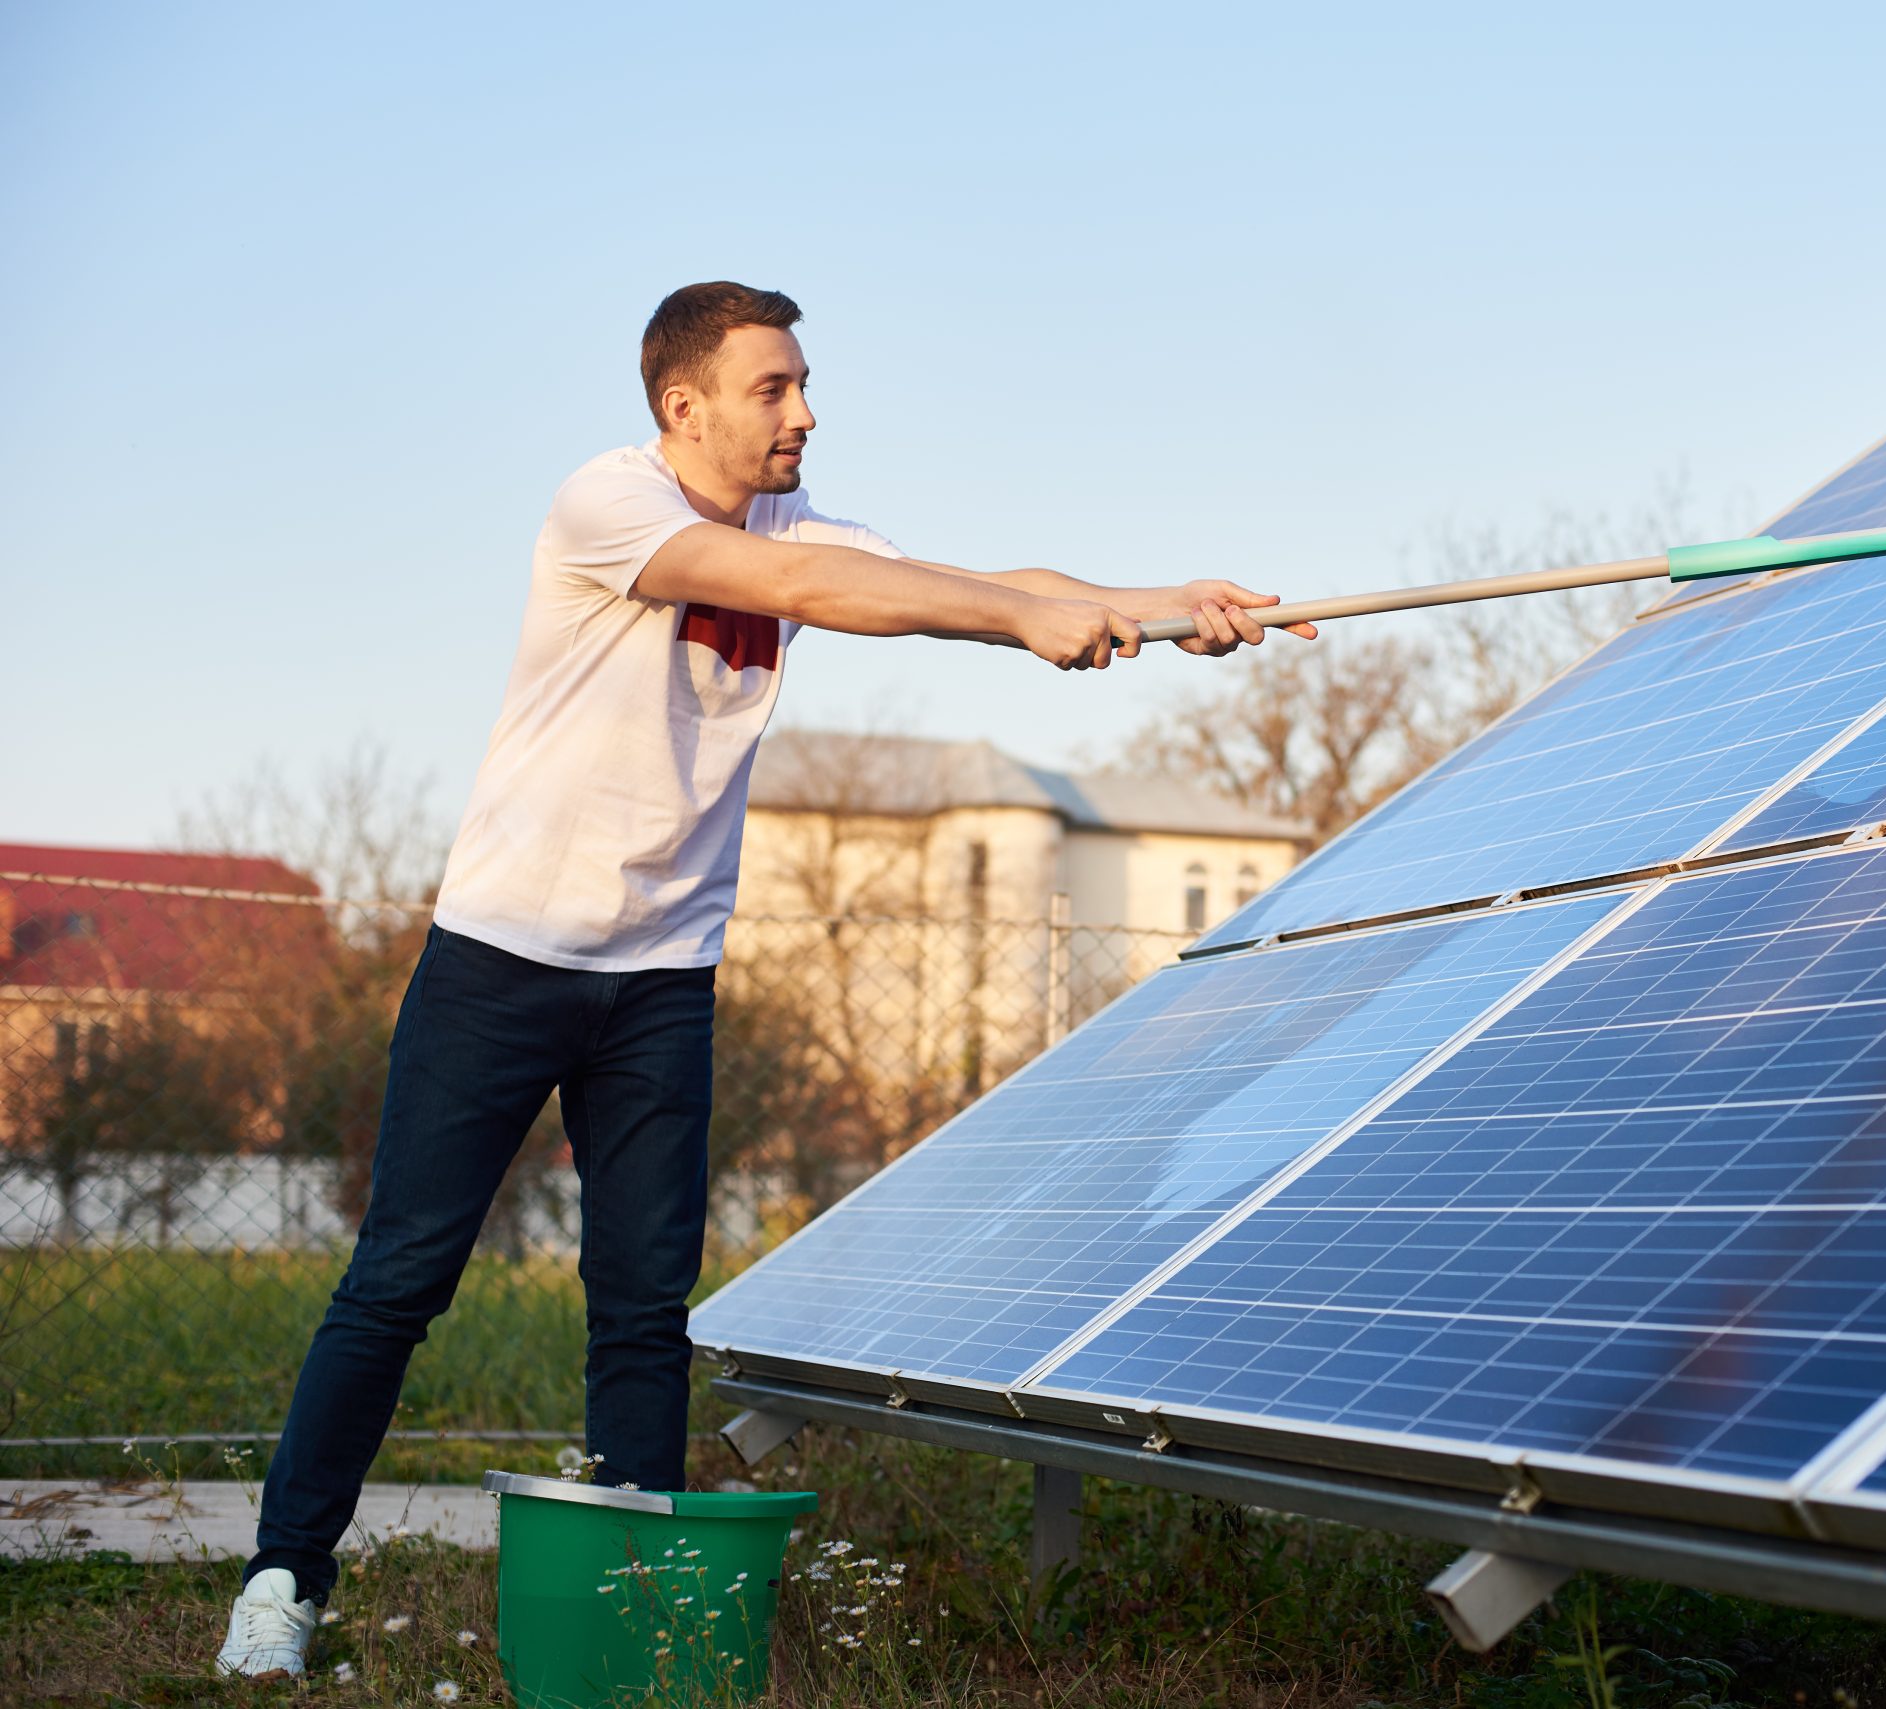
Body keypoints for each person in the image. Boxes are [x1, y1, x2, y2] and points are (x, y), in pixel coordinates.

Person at [216, 282, 1311, 1679]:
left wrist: (1152, 606)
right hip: (503, 955)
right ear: (686, 407)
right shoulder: (607, 505)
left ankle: (623, 1604)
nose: (806, 412)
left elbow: (959, 581)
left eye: (804, 385)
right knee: (400, 1279)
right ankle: (280, 1582)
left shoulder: (804, 523)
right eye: (774, 388)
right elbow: (815, 593)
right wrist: (1022, 620)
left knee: (641, 1300)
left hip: (663, 973)